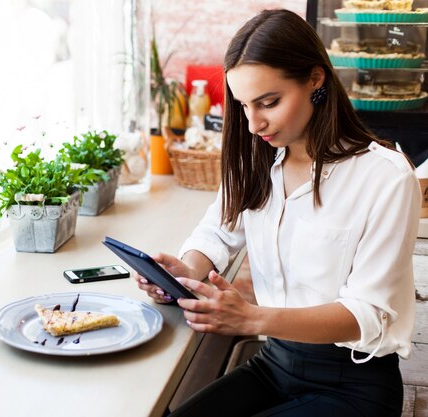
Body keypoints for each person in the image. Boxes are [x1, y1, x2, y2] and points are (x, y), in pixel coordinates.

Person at [134, 9, 421, 417]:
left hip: (354, 387)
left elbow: (366, 315)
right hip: (275, 364)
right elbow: (216, 233)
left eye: (269, 102)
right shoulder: (257, 158)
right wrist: (184, 271)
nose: (253, 124)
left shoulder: (385, 177)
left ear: (315, 80)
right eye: (244, 106)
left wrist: (252, 319)